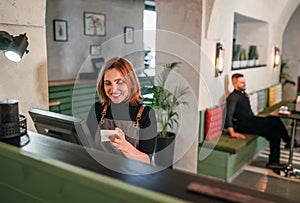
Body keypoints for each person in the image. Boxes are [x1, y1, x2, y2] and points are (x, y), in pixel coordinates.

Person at [86, 57, 157, 164]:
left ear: (131, 83)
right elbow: (87, 147)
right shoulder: (97, 109)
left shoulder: (146, 113)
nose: (113, 89)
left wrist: (125, 146)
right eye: (108, 83)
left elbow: (146, 160)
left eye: (119, 82)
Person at [225, 73, 299, 170]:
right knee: (274, 120)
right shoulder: (233, 97)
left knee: (274, 133)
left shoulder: (243, 95)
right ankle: (288, 141)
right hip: (244, 125)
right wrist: (233, 133)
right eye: (241, 83)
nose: (244, 84)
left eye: (244, 82)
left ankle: (273, 162)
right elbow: (229, 115)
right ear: (234, 84)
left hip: (251, 121)